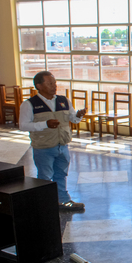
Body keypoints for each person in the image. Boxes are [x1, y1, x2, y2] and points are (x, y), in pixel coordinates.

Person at [19, 71, 87, 211]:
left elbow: (72, 118)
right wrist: (45, 124)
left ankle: (63, 201)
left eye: (54, 83)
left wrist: (78, 116)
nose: (54, 86)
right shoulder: (29, 104)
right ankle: (45, 204)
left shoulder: (63, 100)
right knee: (45, 177)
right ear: (39, 85)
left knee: (61, 174)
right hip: (44, 147)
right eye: (49, 83)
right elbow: (23, 125)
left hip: (62, 145)